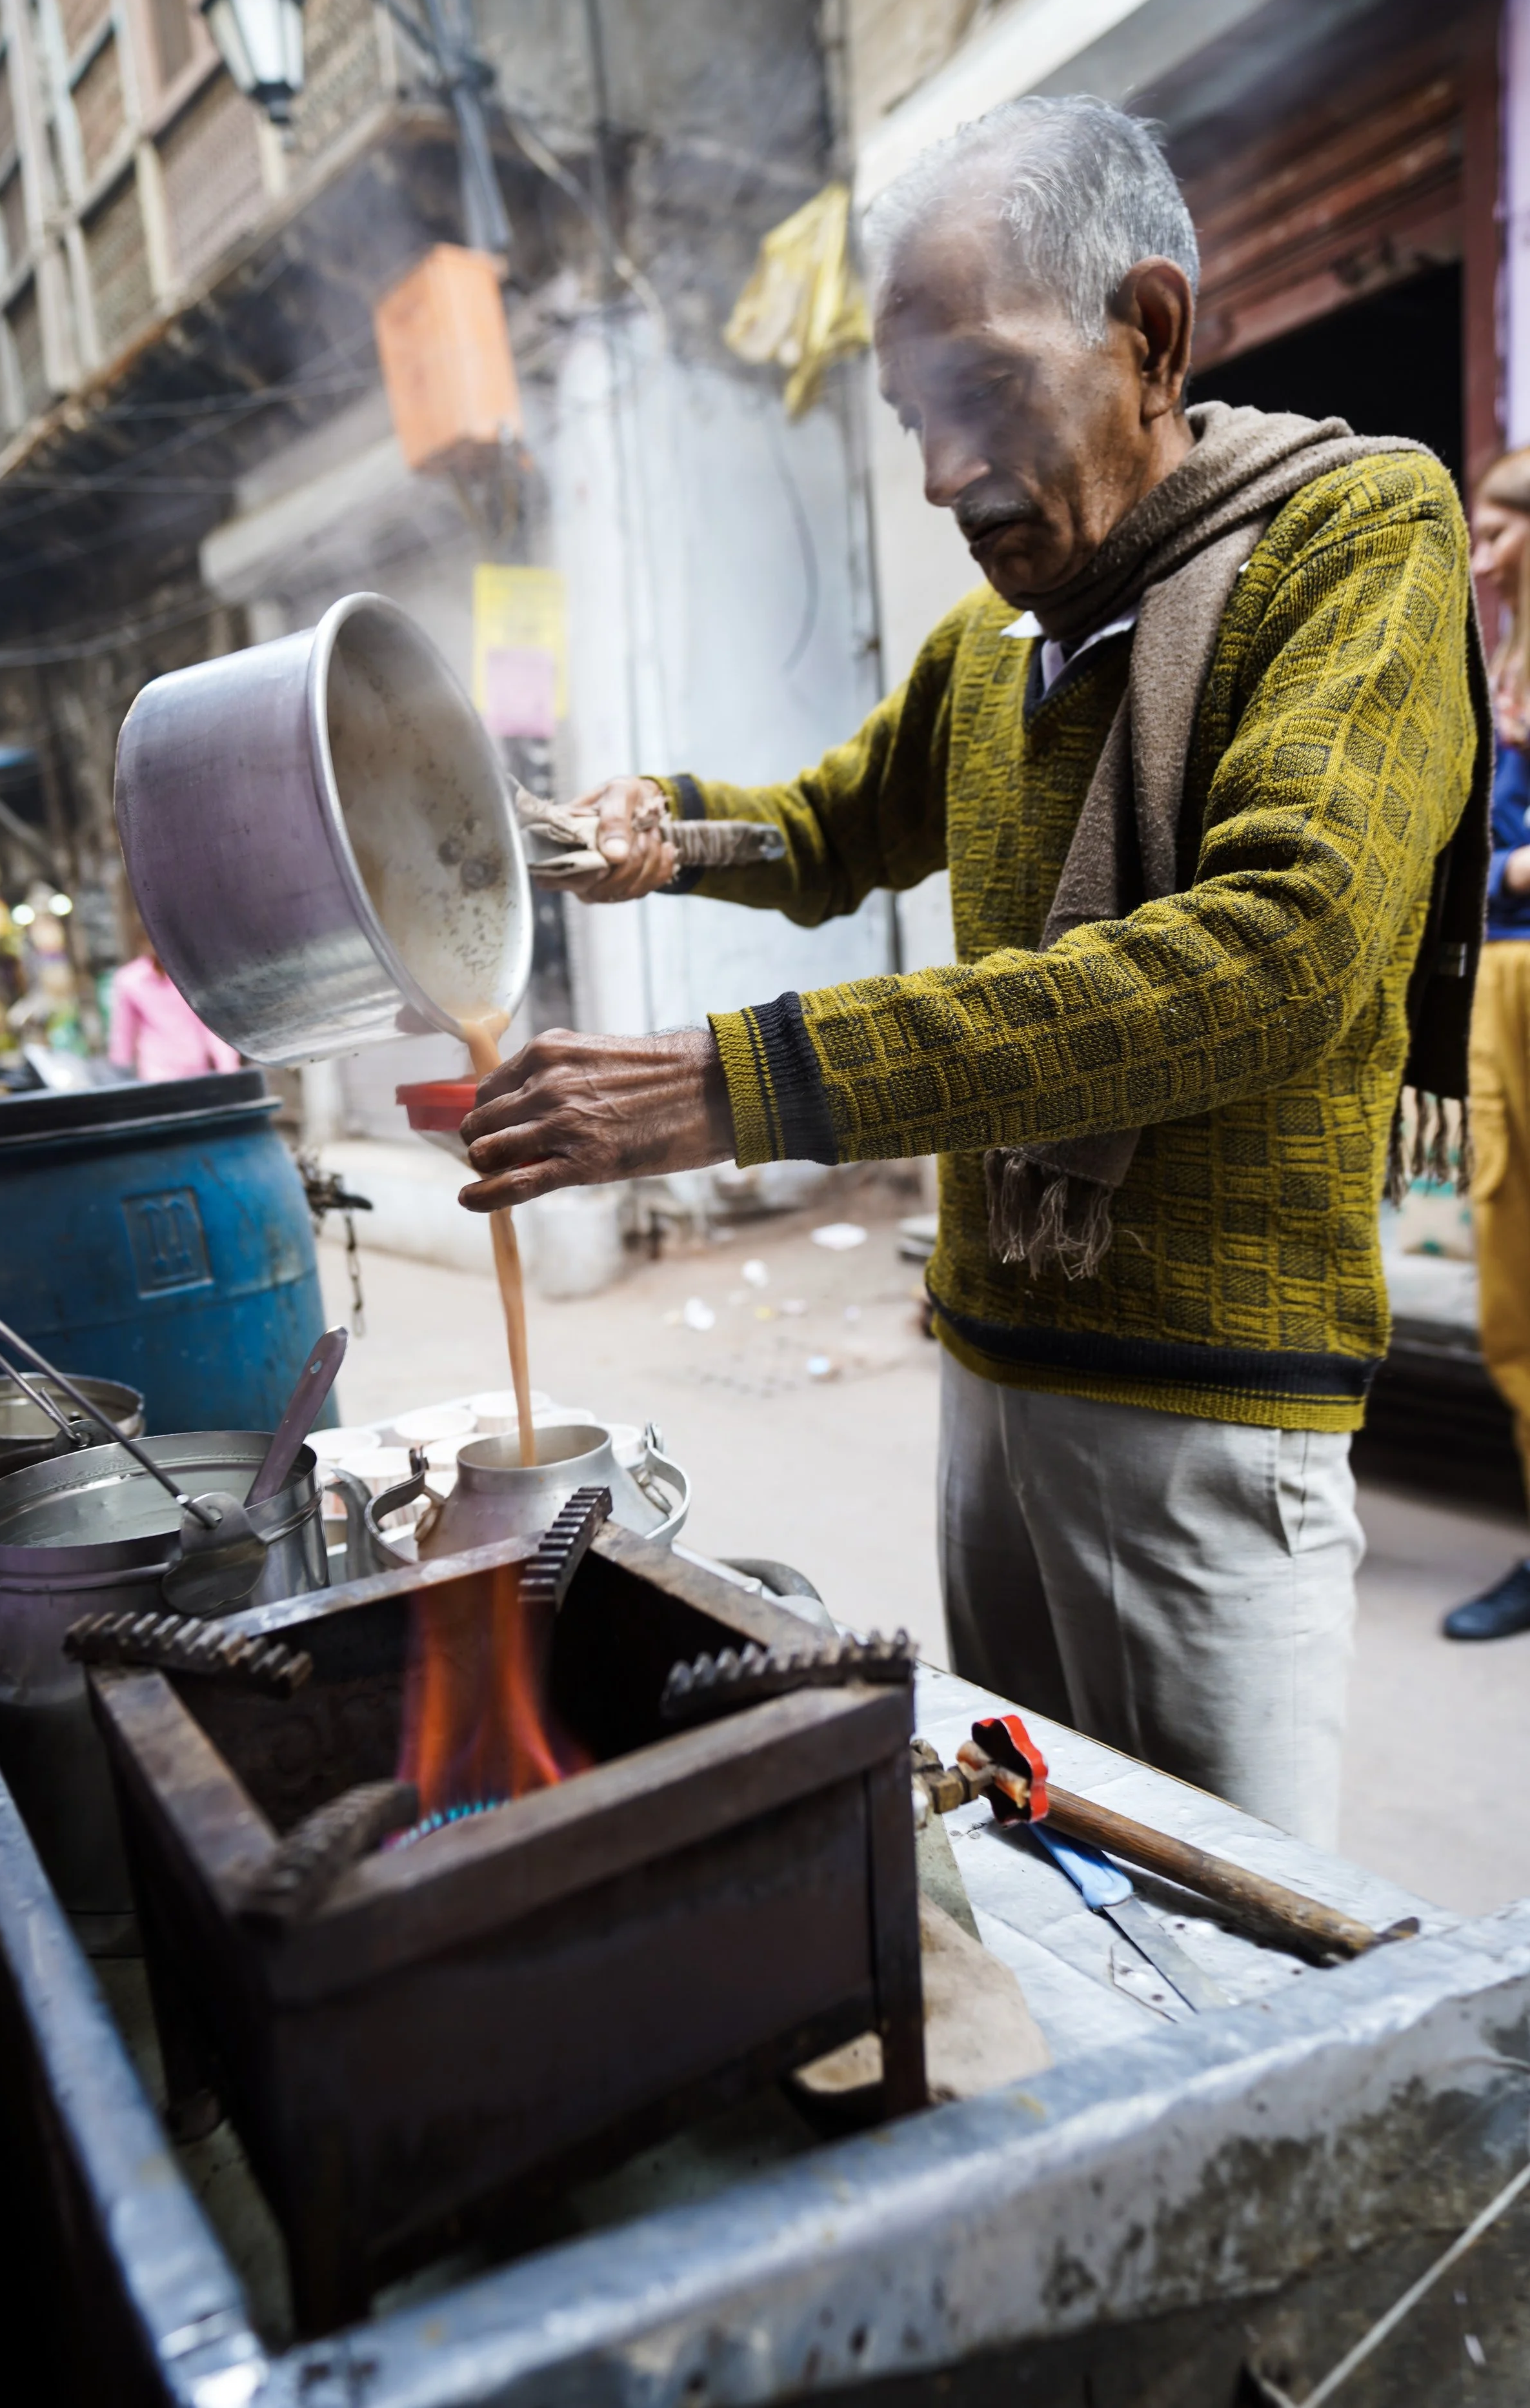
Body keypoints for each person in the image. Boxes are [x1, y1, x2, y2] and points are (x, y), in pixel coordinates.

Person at [458, 96, 1487, 1846]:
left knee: (1229, 1944)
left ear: (1146, 334)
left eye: (985, 394)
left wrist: (732, 1079)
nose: (942, 474)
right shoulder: (988, 642)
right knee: (1039, 1865)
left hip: (1203, 1418)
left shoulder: (1353, 535)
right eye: (913, 418)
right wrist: (653, 831)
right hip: (987, 1381)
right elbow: (830, 824)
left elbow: (1274, 955)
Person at [1443, 451, 1530, 1640]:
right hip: (1494, 984)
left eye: (1500, 523)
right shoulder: (1493, 662)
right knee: (1509, 1281)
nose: (1479, 546)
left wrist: (1495, 869)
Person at [108, 937, 240, 1083]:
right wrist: (120, 1065)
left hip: (196, 1066)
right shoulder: (131, 980)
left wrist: (227, 1064)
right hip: (157, 1070)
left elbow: (210, 1022)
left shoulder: (190, 975)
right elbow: (125, 1029)